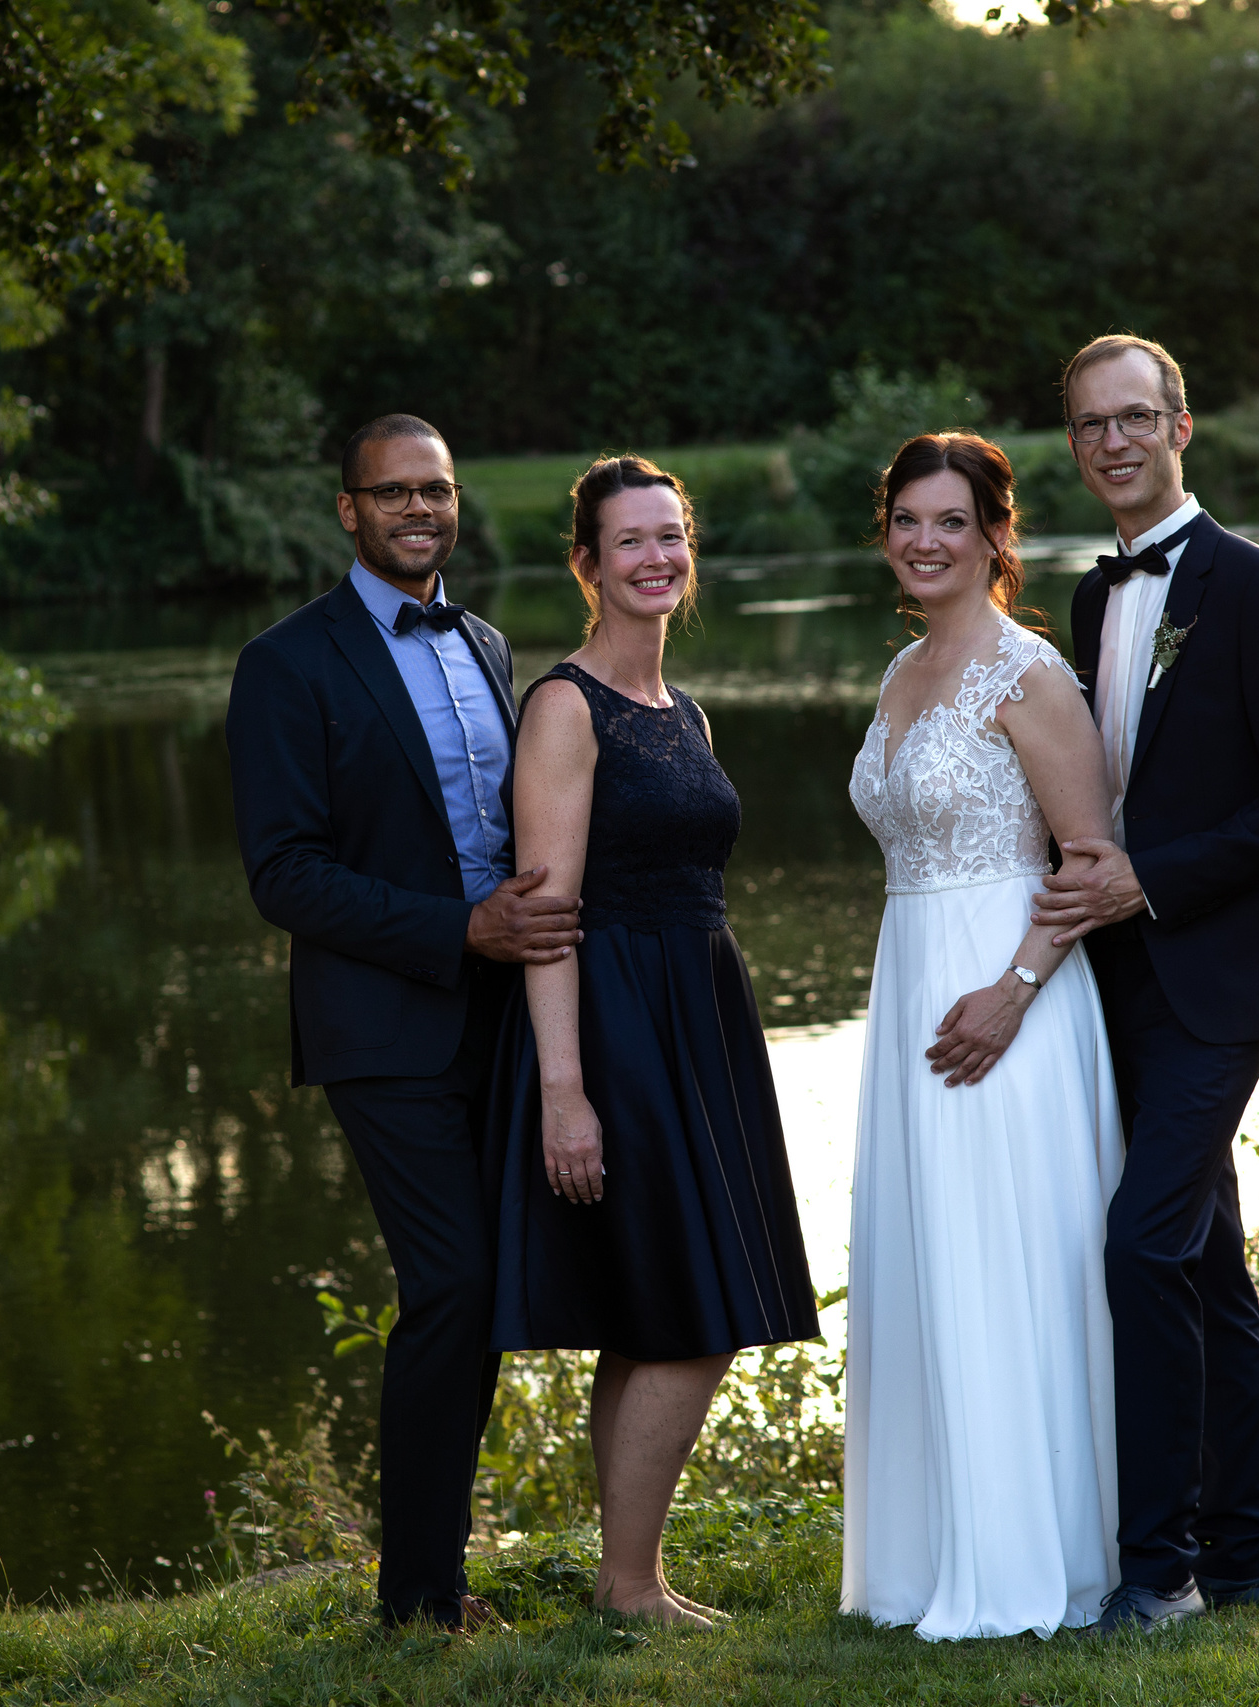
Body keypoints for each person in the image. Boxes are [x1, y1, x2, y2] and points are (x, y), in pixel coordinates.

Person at [225, 413, 584, 1631]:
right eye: (392, 494)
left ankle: (434, 1584)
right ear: (349, 511)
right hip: (383, 1026)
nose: (418, 511)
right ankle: (418, 1594)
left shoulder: (485, 641)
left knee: (482, 1293)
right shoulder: (286, 663)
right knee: (455, 1283)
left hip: (505, 1016)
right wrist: (457, 930)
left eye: (435, 491)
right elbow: (285, 875)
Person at [1029, 336, 1259, 1632]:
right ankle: (1250, 1551)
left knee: (1140, 1239)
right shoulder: (1090, 599)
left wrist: (1147, 880)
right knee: (1207, 1259)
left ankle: (1155, 1567)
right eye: (1090, 425)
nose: (1113, 441)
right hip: (1119, 983)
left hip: (1224, 970)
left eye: (1134, 418)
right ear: (1074, 446)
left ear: (1181, 425)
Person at [492, 455, 820, 1629]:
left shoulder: (684, 710)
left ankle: (625, 1582)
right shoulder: (565, 708)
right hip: (617, 1026)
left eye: (671, 536)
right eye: (629, 541)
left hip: (702, 1013)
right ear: (585, 564)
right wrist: (564, 1092)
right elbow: (545, 916)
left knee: (653, 1309)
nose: (656, 559)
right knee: (692, 1309)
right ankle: (630, 1587)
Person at [839, 433, 1126, 1641]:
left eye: (949, 520)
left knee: (1008, 1263)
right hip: (911, 988)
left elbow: (1094, 863)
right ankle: (923, 1559)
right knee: (927, 1260)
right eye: (906, 518)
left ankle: (1038, 1557)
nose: (923, 540)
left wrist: (1012, 989)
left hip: (1013, 1010)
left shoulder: (1027, 674)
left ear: (996, 537)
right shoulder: (904, 669)